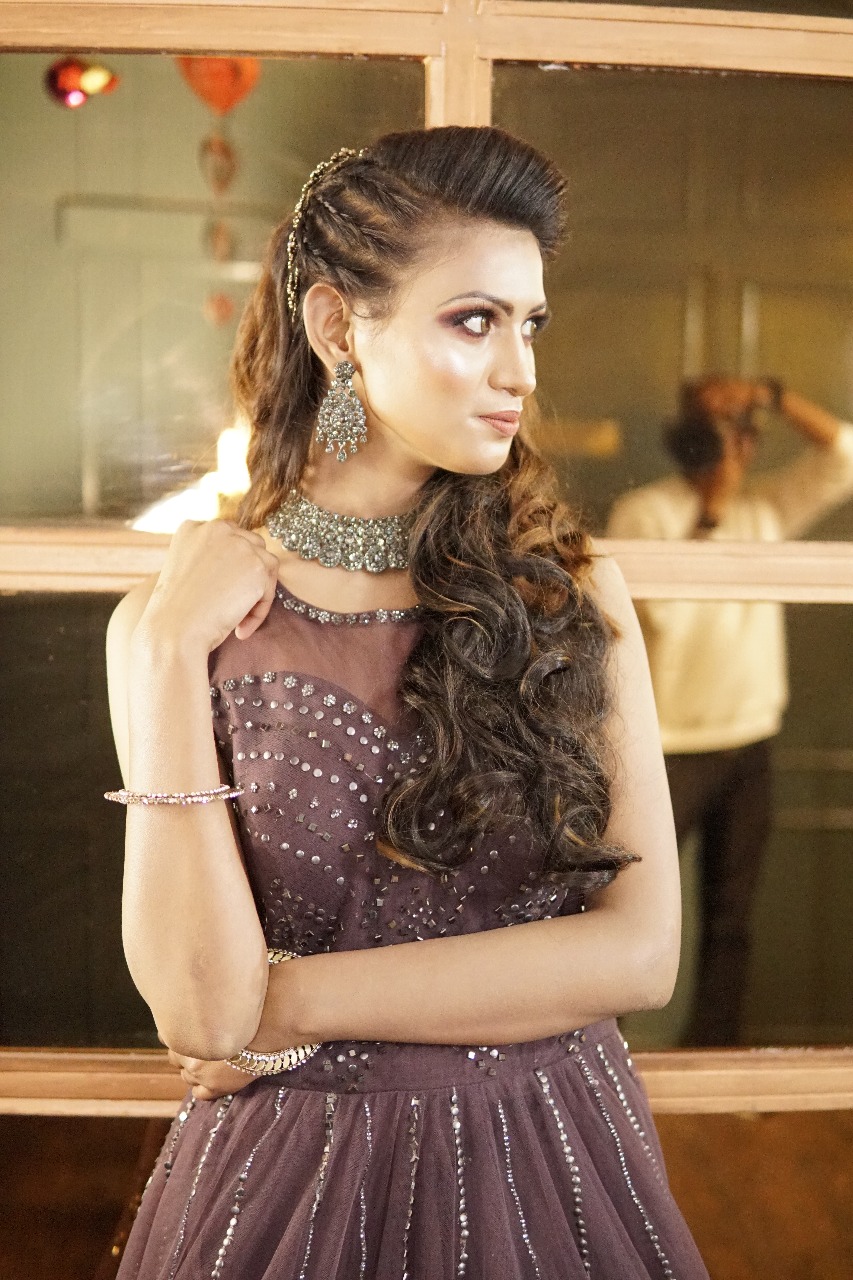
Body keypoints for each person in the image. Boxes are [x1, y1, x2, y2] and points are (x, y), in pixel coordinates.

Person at [105, 127, 708, 1278]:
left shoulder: (569, 592)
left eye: (529, 325)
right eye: (474, 320)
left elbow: (639, 954)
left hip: (551, 1155)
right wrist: (174, 647)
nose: (521, 371)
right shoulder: (169, 628)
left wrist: (287, 1002)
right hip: (285, 1183)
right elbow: (197, 1014)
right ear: (338, 327)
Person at [607, 375, 853, 1046]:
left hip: (749, 739)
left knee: (731, 916)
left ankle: (715, 1052)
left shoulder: (765, 509)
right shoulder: (646, 514)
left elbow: (843, 455)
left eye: (743, 432)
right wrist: (711, 510)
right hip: (669, 749)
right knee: (628, 910)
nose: (734, 447)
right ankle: (602, 1053)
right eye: (716, 432)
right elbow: (669, 617)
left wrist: (773, 393)